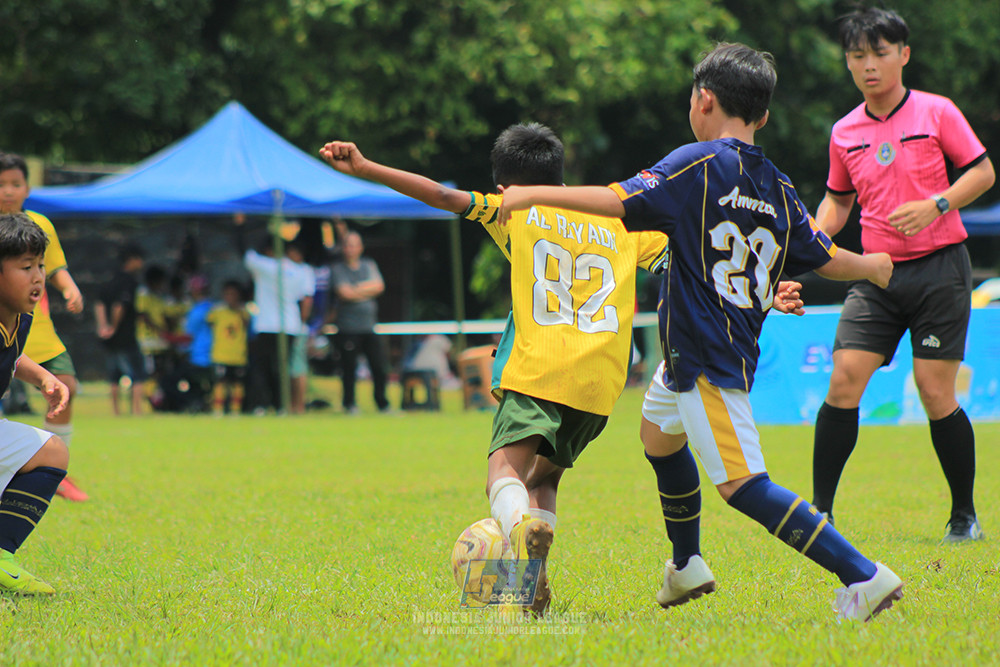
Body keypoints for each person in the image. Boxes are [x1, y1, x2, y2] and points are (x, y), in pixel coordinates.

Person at [497, 43, 903, 622]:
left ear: (703, 99)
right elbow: (820, 252)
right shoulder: (777, 186)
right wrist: (872, 265)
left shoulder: (697, 163)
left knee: (744, 485)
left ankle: (865, 576)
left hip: (708, 354)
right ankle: (686, 565)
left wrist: (534, 191)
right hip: (694, 354)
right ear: (762, 115)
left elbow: (615, 201)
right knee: (659, 436)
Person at [810, 7, 995, 543]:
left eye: (880, 53)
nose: (869, 65)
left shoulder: (938, 113)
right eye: (858, 55)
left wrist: (936, 205)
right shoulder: (844, 131)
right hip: (876, 274)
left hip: (941, 269)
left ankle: (964, 516)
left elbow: (982, 172)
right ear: (848, 62)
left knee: (935, 391)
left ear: (904, 55)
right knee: (843, 379)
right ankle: (821, 513)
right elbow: (837, 202)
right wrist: (814, 243)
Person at [0, 152, 87, 501]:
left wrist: (68, 287)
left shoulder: (39, 224)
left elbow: (55, 266)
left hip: (32, 327)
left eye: (15, 183)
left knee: (64, 383)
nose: (7, 191)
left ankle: (55, 469)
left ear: (28, 188)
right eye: (1, 183)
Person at [0, 212, 71, 594]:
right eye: (25, 266)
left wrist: (43, 376)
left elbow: (11, 356)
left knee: (51, 451)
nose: (38, 276)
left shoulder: (20, 316)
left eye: (41, 265)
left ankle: (1, 555)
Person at [239, 220, 315, 414]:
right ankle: (281, 405)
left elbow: (245, 254)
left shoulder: (266, 266)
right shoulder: (299, 270)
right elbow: (304, 298)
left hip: (267, 324)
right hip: (291, 325)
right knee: (282, 367)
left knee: (261, 367)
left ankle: (261, 405)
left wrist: (240, 226)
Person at [328, 231, 390, 415]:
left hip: (369, 326)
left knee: (378, 367)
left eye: (355, 244)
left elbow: (379, 286)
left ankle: (382, 404)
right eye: (348, 245)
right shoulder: (337, 269)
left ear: (361, 247)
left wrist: (355, 290)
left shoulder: (369, 264)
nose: (351, 249)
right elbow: (344, 293)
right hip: (348, 328)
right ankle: (350, 404)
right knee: (349, 369)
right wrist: (366, 289)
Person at [95, 244, 147, 416]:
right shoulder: (129, 282)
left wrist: (103, 326)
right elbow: (120, 306)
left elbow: (100, 303)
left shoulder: (110, 280)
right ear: (131, 260)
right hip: (125, 335)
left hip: (110, 338)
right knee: (137, 374)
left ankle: (116, 411)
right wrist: (113, 327)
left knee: (114, 376)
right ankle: (136, 410)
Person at [206, 280, 250, 416]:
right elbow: (210, 323)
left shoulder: (243, 312)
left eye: (233, 294)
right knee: (220, 382)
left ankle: (235, 410)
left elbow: (247, 325)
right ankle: (218, 410)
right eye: (228, 294)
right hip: (221, 354)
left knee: (237, 384)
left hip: (238, 355)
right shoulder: (217, 311)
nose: (230, 297)